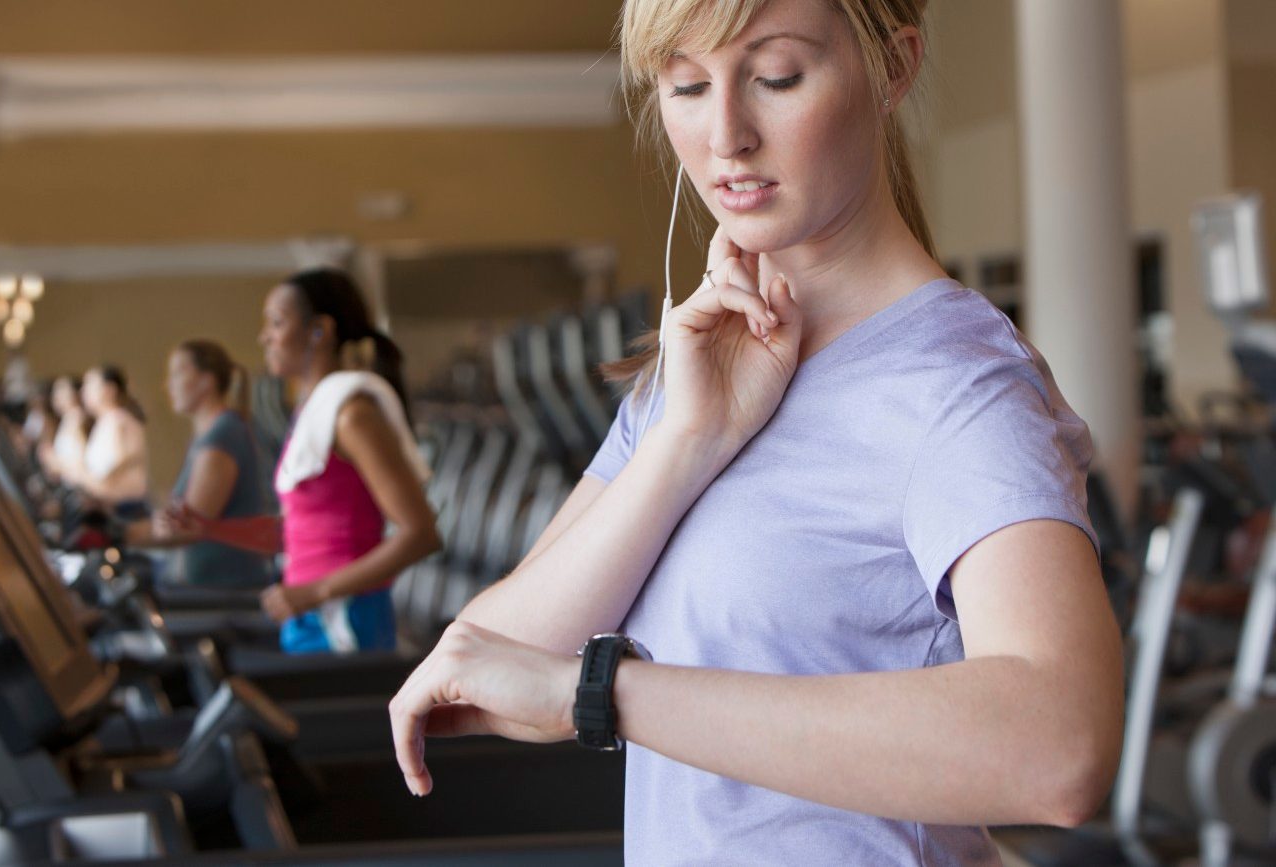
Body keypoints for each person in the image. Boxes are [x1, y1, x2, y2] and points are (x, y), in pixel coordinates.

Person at [387, 1, 1125, 864]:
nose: (726, 134)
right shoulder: (694, 377)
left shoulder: (955, 385)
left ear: (893, 67)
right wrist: (689, 440)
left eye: (776, 77)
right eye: (687, 86)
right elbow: (489, 675)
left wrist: (607, 693)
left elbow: (1059, 749)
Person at [167, 268, 441, 653]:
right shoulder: (313, 413)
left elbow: (420, 534)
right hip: (311, 612)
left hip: (344, 616)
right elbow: (296, 532)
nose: (264, 336)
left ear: (319, 331)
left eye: (277, 323)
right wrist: (209, 529)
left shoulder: (351, 414)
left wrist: (314, 592)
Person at [126, 341, 272, 588]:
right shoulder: (207, 435)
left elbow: (189, 527)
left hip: (224, 589)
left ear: (207, 381)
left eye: (177, 374)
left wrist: (122, 534)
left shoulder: (224, 433)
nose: (168, 384)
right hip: (205, 583)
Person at [78, 365, 148, 514]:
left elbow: (110, 471)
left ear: (109, 389)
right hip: (117, 504)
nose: (84, 392)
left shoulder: (118, 420)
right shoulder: (105, 421)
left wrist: (74, 472)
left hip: (125, 506)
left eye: (90, 385)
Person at [42, 376, 89, 485]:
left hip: (81, 485)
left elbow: (83, 461)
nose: (56, 395)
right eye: (55, 391)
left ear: (76, 393)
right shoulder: (66, 420)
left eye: (62, 390)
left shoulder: (81, 420)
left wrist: (55, 462)